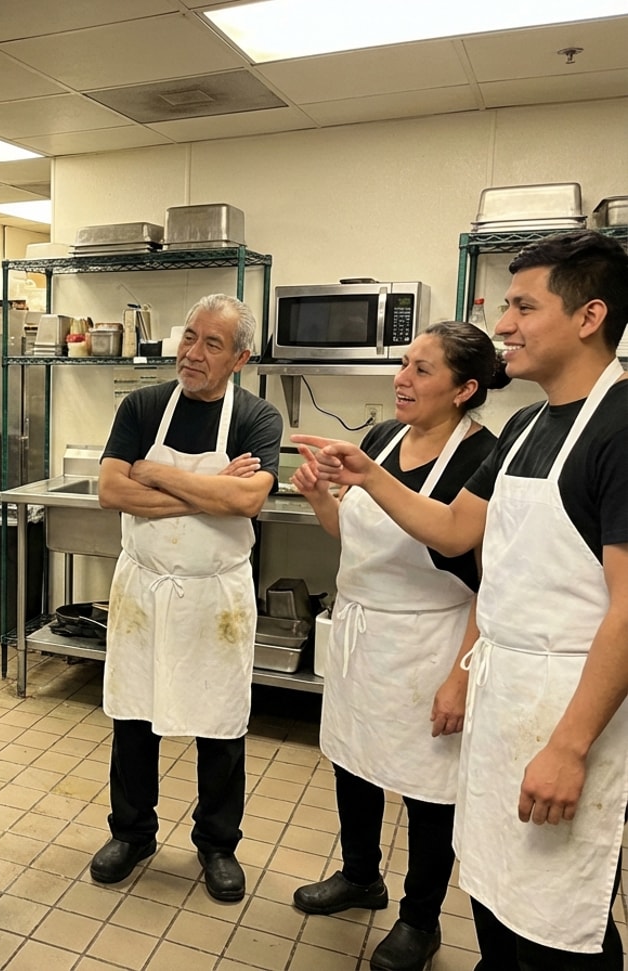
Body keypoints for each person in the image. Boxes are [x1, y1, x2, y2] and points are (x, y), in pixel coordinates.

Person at [295, 230, 628, 970]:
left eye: (523, 307)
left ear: (590, 316)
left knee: (558, 910)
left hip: (563, 704)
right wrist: (362, 475)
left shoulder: (619, 427)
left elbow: (627, 610)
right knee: (494, 877)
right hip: (503, 696)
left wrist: (569, 745)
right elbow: (456, 532)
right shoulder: (529, 425)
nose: (503, 324)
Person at [289, 322, 505, 971]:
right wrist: (320, 499)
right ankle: (360, 876)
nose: (402, 379)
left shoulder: (482, 456)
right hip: (363, 633)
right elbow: (357, 536)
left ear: (465, 389)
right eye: (404, 363)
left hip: (431, 640)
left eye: (422, 369)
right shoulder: (382, 437)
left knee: (427, 788)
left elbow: (481, 571)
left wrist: (460, 675)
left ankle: (419, 919)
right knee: (352, 760)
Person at [90, 293, 283, 902]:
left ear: (240, 359)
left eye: (212, 344)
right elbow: (111, 491)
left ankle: (218, 844)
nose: (193, 353)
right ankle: (132, 832)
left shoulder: (257, 418)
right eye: (190, 337)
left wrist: (154, 473)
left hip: (213, 598)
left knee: (219, 722)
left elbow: (247, 501)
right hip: (144, 590)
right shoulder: (143, 405)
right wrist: (206, 492)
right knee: (133, 714)